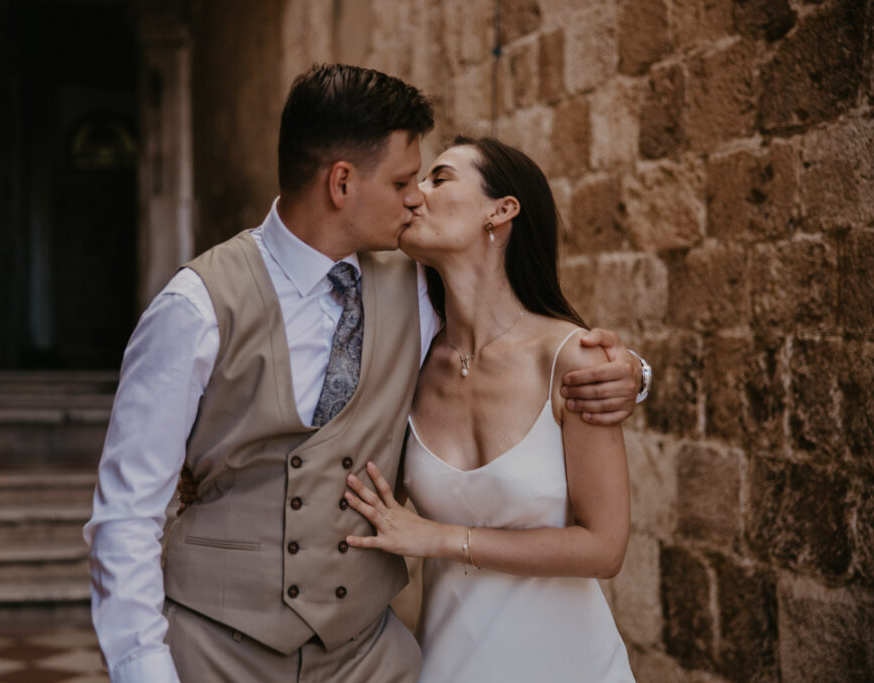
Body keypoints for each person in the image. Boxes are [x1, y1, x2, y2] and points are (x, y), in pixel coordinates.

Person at [84, 65, 646, 682]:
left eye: (430, 178)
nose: (415, 197)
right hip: (217, 649)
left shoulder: (415, 294)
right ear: (342, 183)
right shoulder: (195, 307)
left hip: (366, 658)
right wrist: (144, 672)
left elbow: (515, 331)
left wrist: (629, 373)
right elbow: (127, 515)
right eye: (406, 179)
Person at [344, 137, 637, 681]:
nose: (417, 196)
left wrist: (441, 538)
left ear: (500, 212)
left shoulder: (571, 359)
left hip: (571, 664)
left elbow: (604, 547)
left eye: (439, 178)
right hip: (447, 663)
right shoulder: (406, 363)